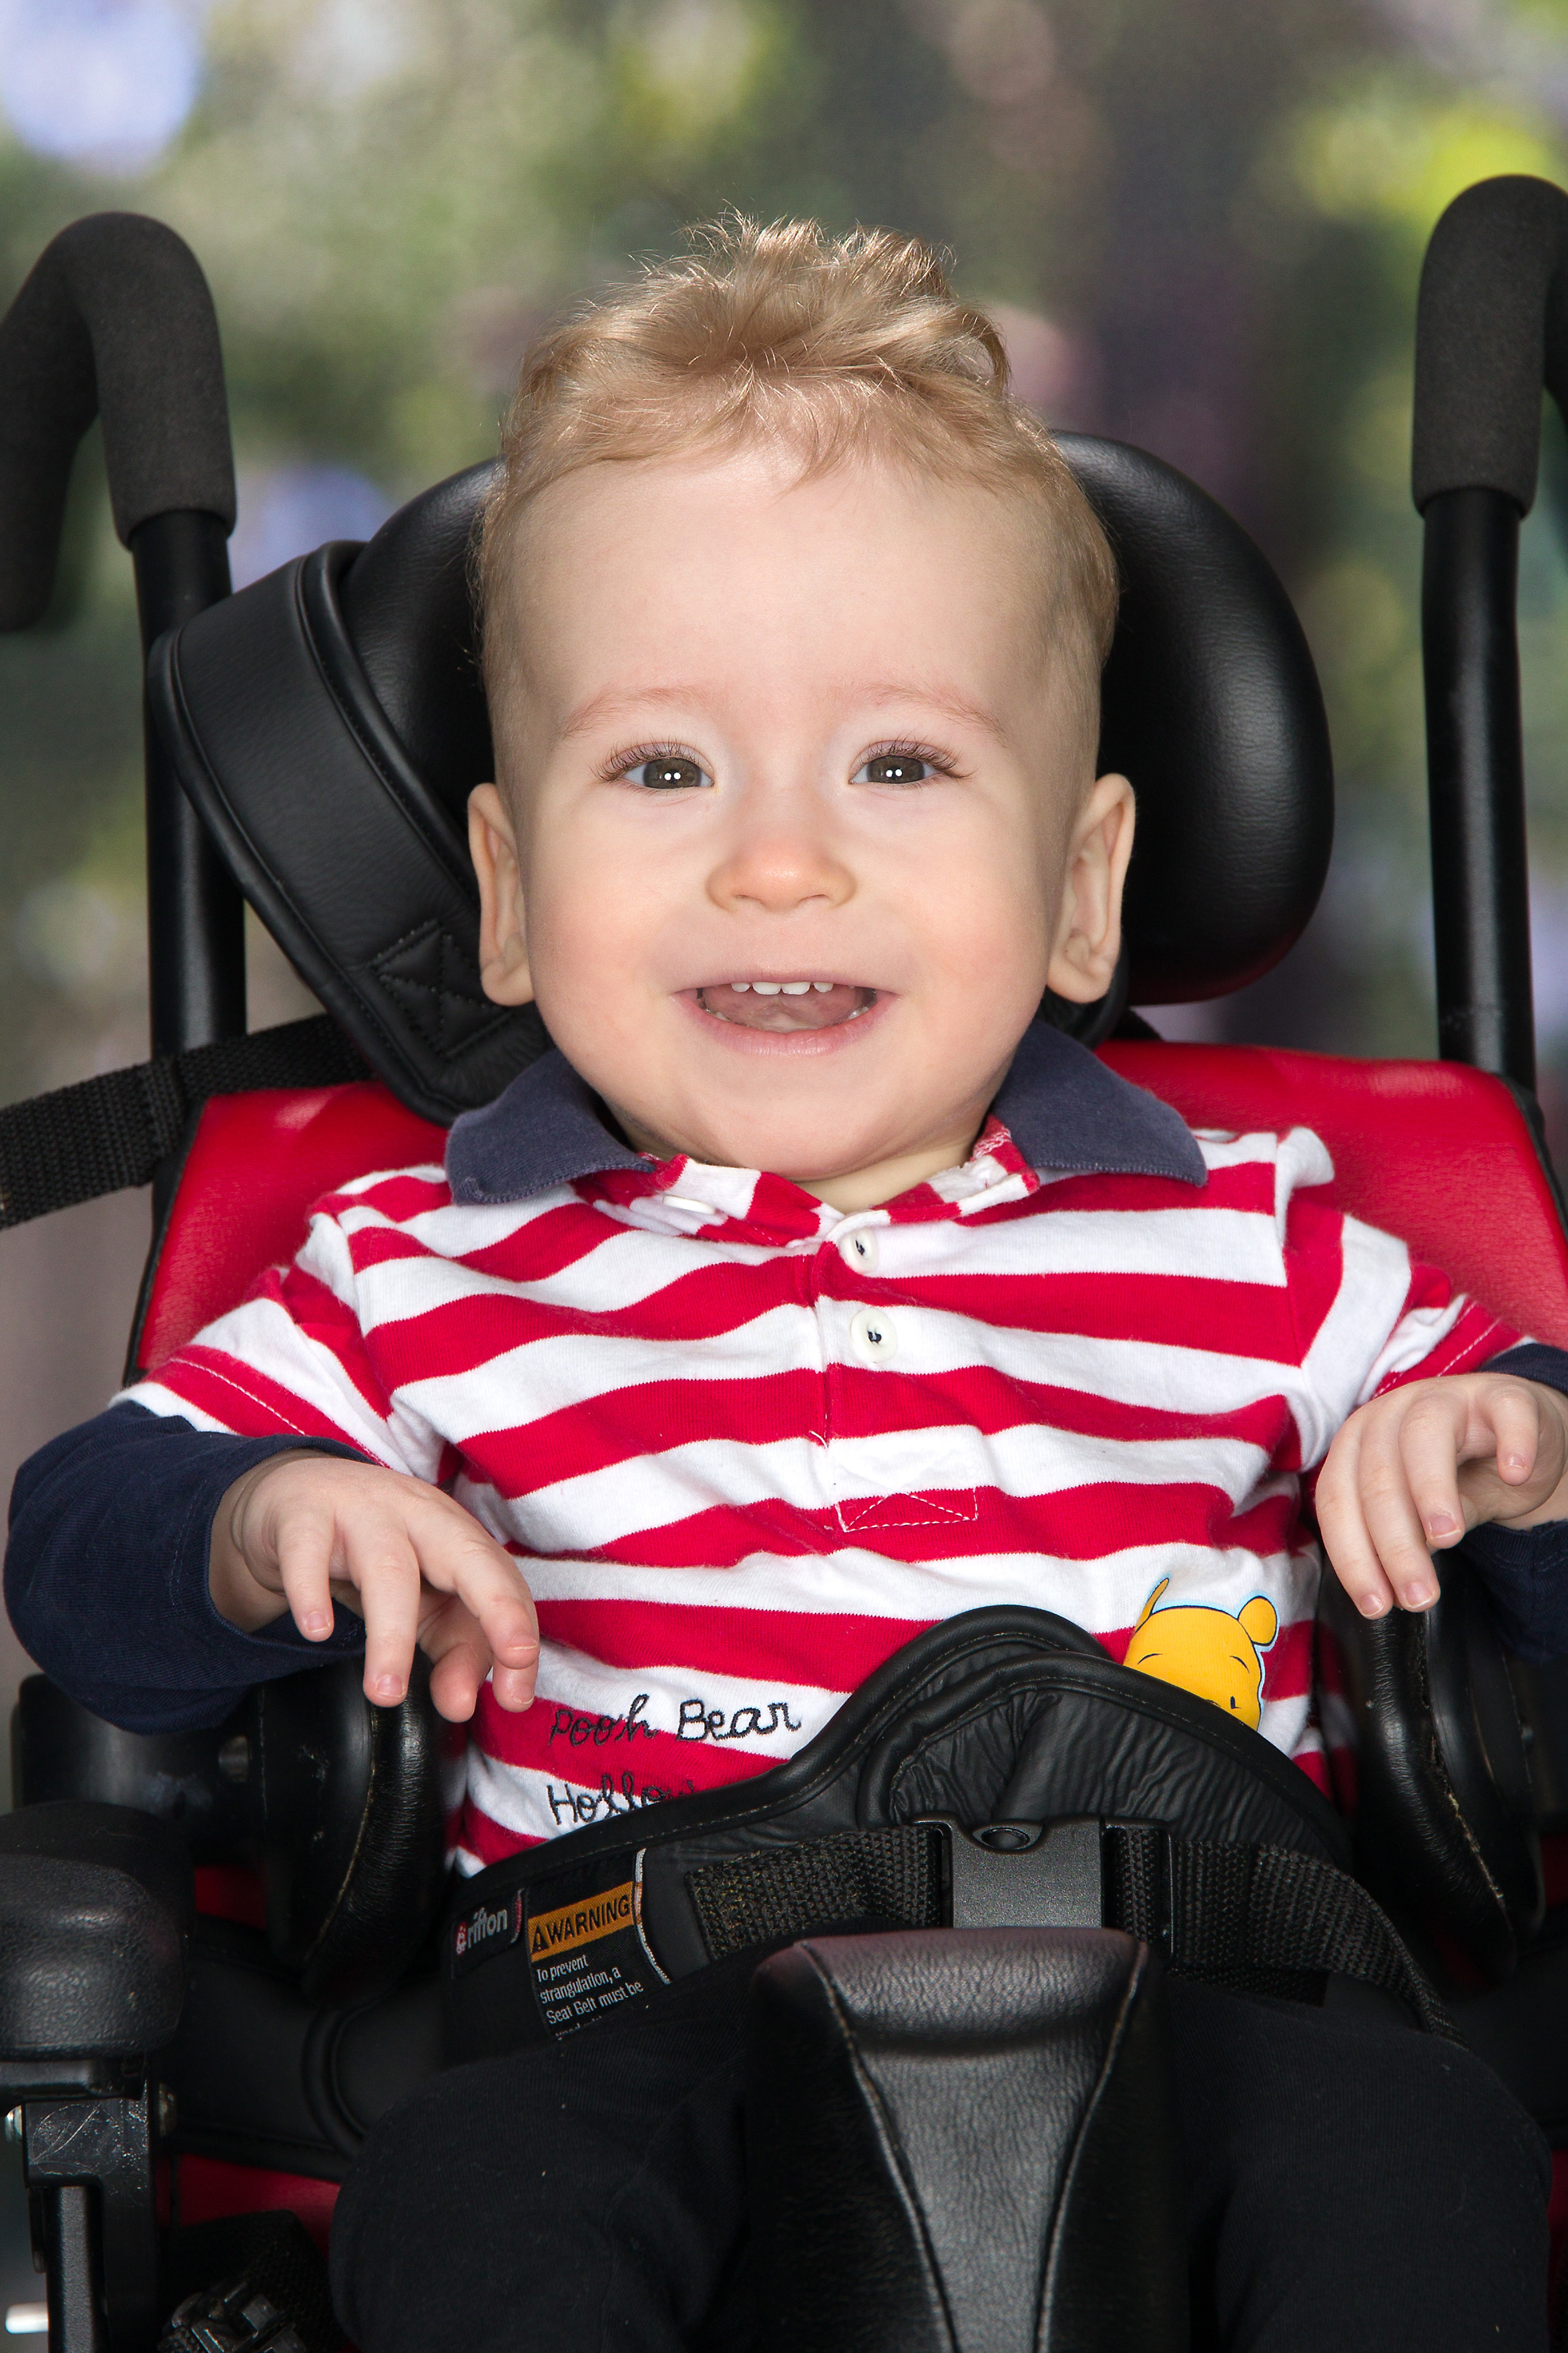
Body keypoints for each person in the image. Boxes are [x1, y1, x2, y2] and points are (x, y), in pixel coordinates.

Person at [7, 218, 1565, 2352]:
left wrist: (1519, 1454)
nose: (778, 860)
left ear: (1086, 886)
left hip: (1211, 1989)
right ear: (506, 895)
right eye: (663, 769)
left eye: (899, 765)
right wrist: (262, 1518)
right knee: (472, 2196)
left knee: (1423, 2157)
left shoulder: (1257, 1232)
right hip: (635, 2001)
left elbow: (1546, 1526)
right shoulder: (416, 1266)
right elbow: (78, 1552)